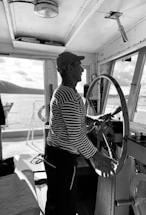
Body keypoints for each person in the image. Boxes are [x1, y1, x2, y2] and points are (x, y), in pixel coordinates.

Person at [44, 51, 115, 215]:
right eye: (79, 65)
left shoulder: (67, 92)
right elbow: (75, 136)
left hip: (56, 157)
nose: (82, 70)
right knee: (63, 206)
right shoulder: (68, 95)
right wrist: (97, 157)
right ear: (69, 68)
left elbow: (77, 118)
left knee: (57, 201)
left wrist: (94, 120)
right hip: (62, 160)